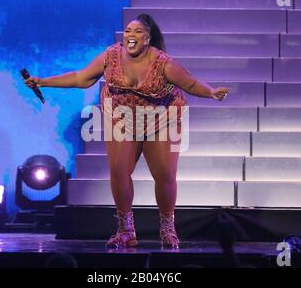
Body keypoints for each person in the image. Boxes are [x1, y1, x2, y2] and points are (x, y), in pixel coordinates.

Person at [24, 13, 230, 249]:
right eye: (128, 32)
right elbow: (82, 78)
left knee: (164, 175)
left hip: (161, 117)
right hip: (121, 117)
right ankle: (125, 230)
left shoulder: (163, 62)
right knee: (119, 171)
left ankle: (167, 229)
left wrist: (211, 92)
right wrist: (42, 81)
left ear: (147, 39)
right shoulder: (110, 56)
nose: (131, 36)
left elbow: (191, 83)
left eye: (138, 32)